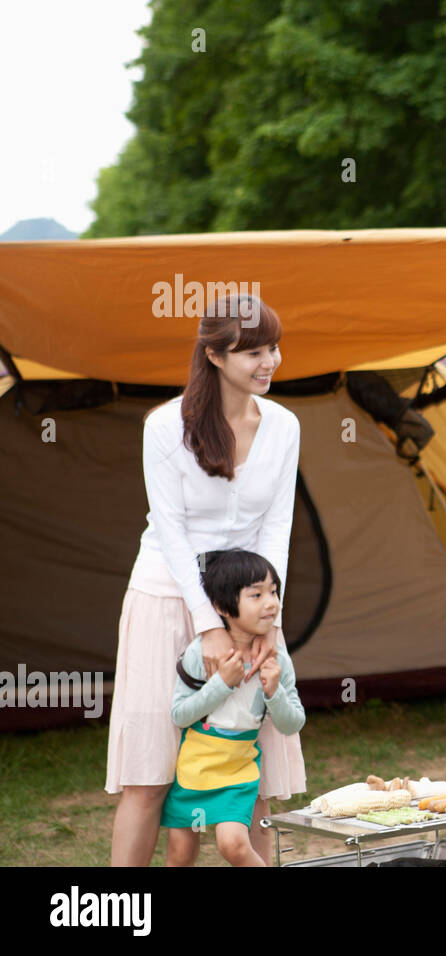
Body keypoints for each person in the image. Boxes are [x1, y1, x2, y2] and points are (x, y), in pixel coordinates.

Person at [106, 294, 306, 866]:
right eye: (254, 352)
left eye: (274, 349)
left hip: (249, 608)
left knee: (260, 776)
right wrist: (207, 626)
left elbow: (277, 527)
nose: (269, 362)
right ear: (215, 355)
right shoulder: (165, 425)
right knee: (149, 775)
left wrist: (270, 614)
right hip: (167, 599)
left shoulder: (285, 426)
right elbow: (169, 530)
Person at [163, 550, 305, 867]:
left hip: (239, 768)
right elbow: (180, 714)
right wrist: (222, 683)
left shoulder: (277, 658)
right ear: (222, 606)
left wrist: (274, 691)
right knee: (179, 854)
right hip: (195, 767)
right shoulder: (202, 653)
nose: (271, 603)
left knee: (233, 845)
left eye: (273, 591)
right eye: (256, 594)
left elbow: (293, 723)